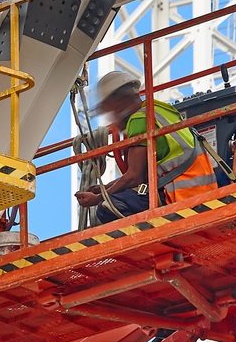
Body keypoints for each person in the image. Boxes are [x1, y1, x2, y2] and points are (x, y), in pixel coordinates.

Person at [76, 66, 207, 224]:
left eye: (109, 109)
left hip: (179, 195)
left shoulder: (138, 120)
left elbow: (134, 177)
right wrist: (104, 187)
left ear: (119, 101)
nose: (111, 117)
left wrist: (98, 198)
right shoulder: (159, 109)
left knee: (107, 207)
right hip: (199, 189)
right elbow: (144, 171)